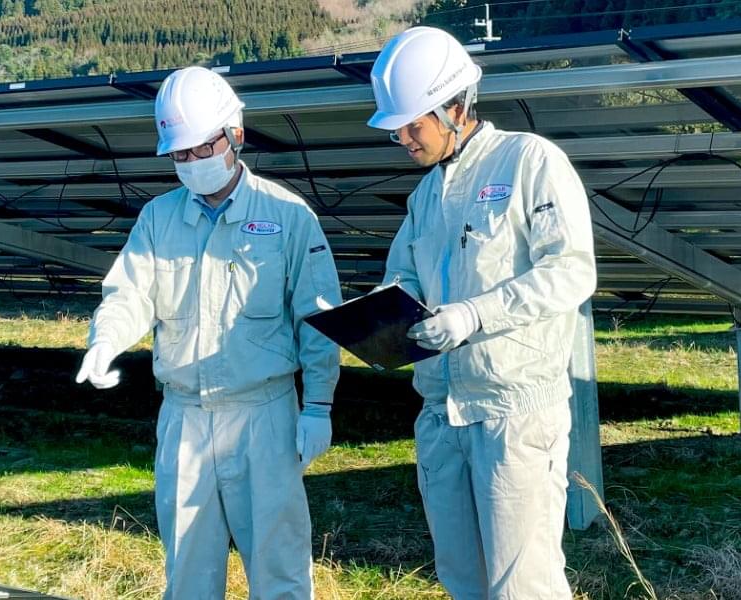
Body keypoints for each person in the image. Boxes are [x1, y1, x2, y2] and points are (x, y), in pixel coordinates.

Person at [74, 65, 343, 599]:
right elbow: (130, 293)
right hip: (185, 418)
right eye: (180, 154)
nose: (192, 162)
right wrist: (105, 340)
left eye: (202, 148)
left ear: (235, 135)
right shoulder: (158, 219)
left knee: (280, 569)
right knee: (189, 574)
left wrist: (318, 405)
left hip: (264, 416)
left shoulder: (288, 216)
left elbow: (318, 318)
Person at [365, 26, 597, 600]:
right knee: (462, 579)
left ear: (455, 106)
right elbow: (403, 276)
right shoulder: (425, 195)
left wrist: (475, 314)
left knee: (523, 586)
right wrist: (377, 318)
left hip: (513, 413)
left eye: (413, 125)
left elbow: (571, 270)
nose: (403, 139)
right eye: (396, 129)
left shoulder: (529, 161)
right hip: (442, 413)